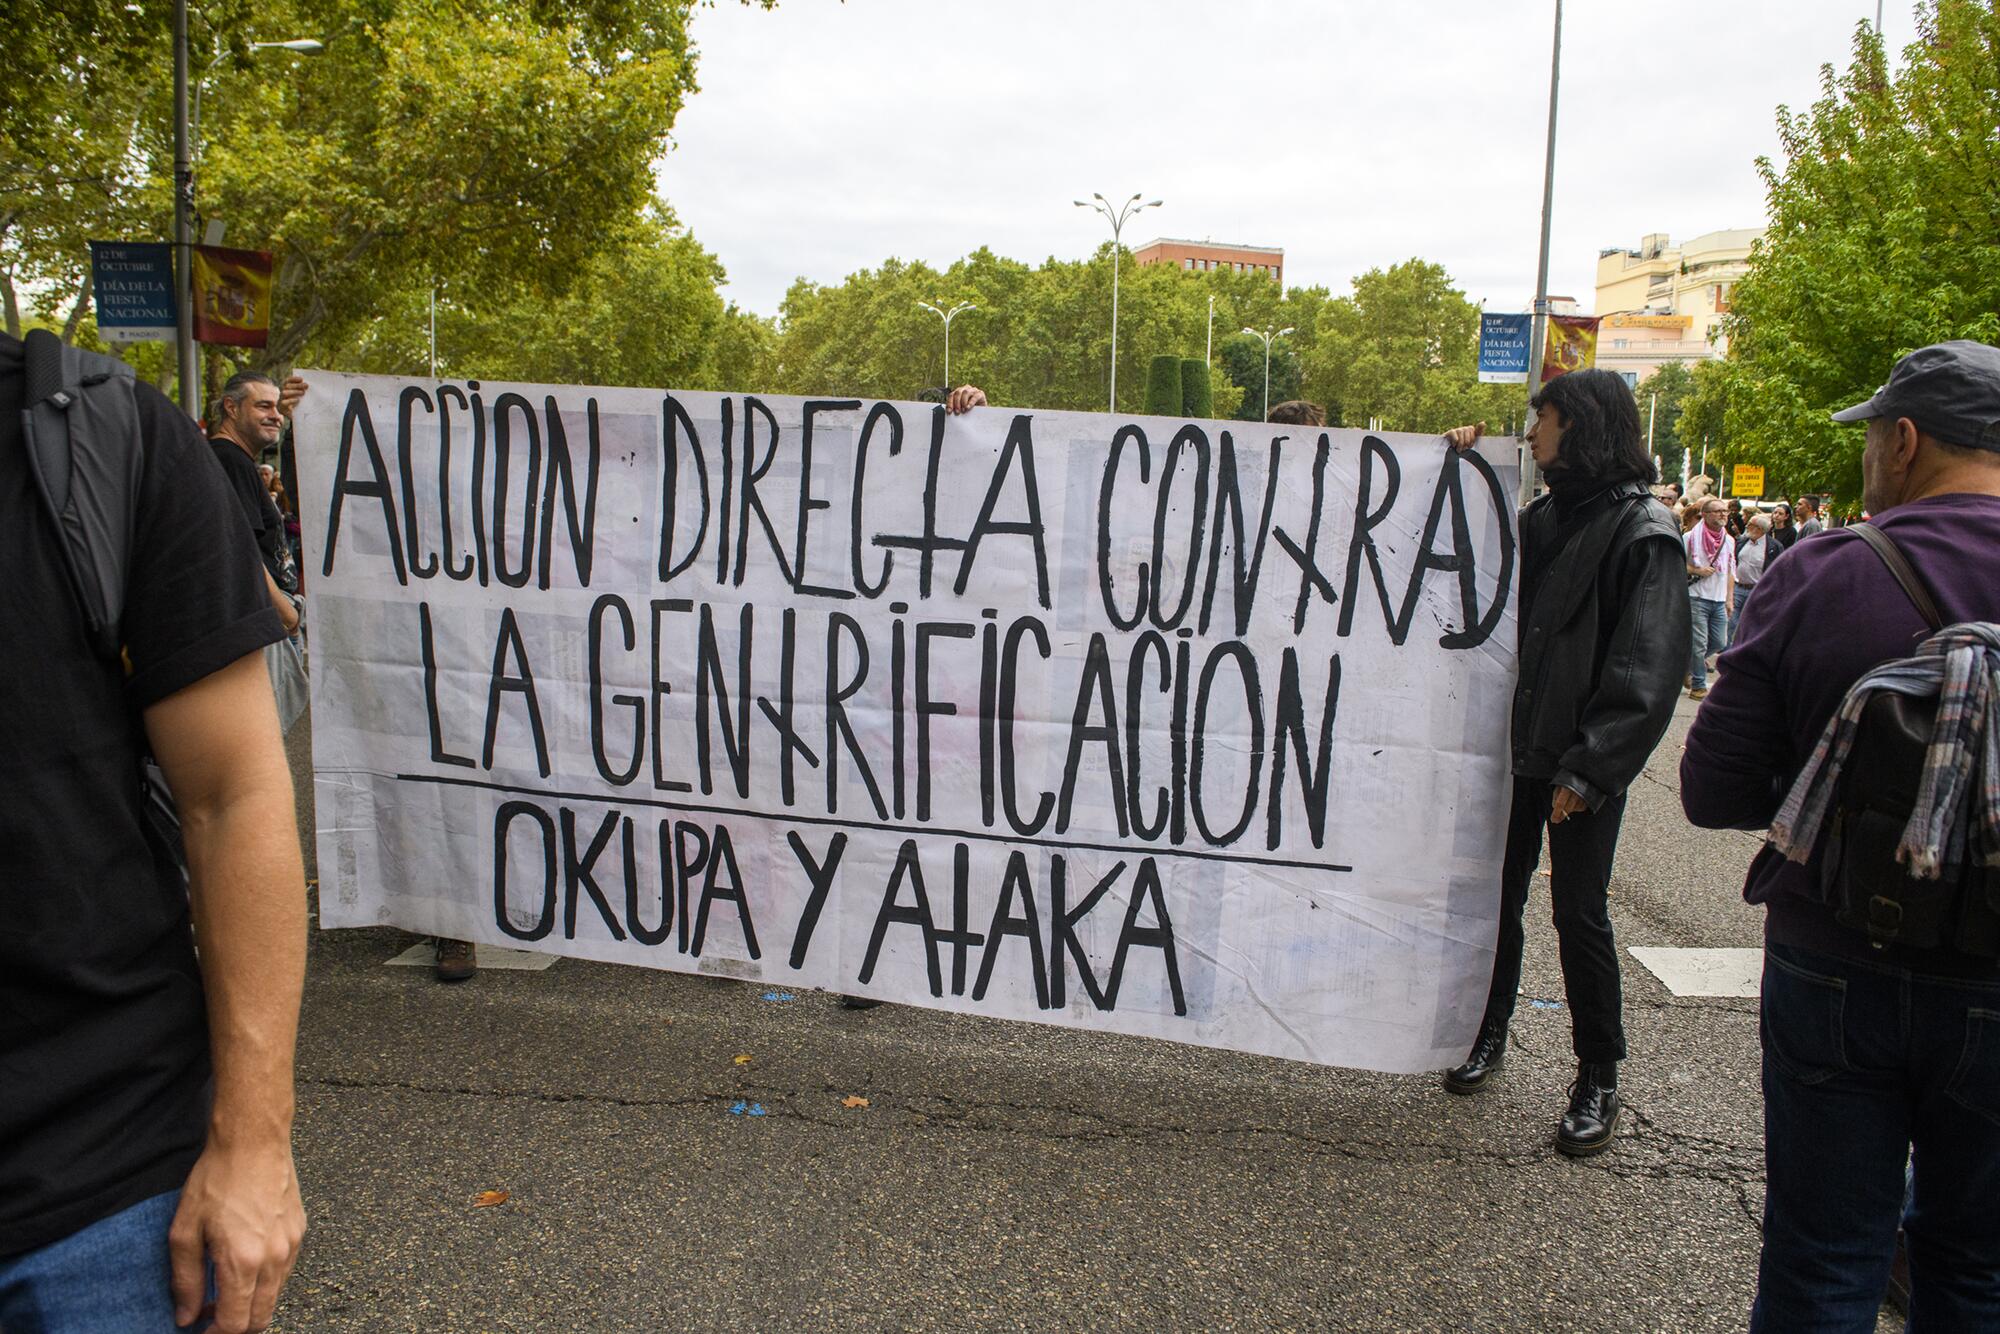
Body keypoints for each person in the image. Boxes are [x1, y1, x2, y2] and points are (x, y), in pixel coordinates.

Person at [1681, 339, 2000, 1328]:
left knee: (1821, 1260)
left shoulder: (1822, 571)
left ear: (1903, 441)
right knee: (1978, 1269)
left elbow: (1711, 785)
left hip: (1834, 958)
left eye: (1869, 435)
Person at [0, 332, 307, 1331]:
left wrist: (254, 1141)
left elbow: (233, 793)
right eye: (262, 408)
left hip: (96, 1196)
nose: (273, 421)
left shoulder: (98, 431)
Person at [1438, 369, 1689, 1156]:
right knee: (1495, 899)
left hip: (1579, 764)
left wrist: (1589, 770)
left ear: (1576, 424)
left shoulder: (1642, 531)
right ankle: (1489, 1031)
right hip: (1516, 752)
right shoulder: (1542, 519)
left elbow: (1646, 666)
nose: (1534, 430)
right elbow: (1459, 569)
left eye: (1542, 417)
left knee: (1578, 913)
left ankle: (1598, 1074)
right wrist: (1455, 471)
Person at [207, 372, 302, 640]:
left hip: (263, 616)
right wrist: (289, 617)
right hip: (263, 620)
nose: (277, 416)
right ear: (231, 407)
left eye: (278, 407)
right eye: (264, 406)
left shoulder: (236, 459)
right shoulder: (229, 459)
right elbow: (241, 550)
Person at [1686, 496, 1737, 699]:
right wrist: (1697, 570)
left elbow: (1731, 572)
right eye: (1718, 511)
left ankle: (1687, 666)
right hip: (1696, 596)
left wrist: (1729, 598)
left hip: (1718, 598)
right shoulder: (1690, 537)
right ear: (1705, 515)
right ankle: (1698, 685)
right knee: (1698, 643)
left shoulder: (1729, 540)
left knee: (1718, 641)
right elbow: (1677, 564)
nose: (1723, 514)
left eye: (1725, 511)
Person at [1732, 512, 1771, 641]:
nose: (1746, 526)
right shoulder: (1742, 542)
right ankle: (1728, 651)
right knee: (1731, 622)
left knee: (1750, 624)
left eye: (1750, 525)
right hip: (1738, 587)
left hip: (1757, 590)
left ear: (1759, 529)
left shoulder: (1773, 547)